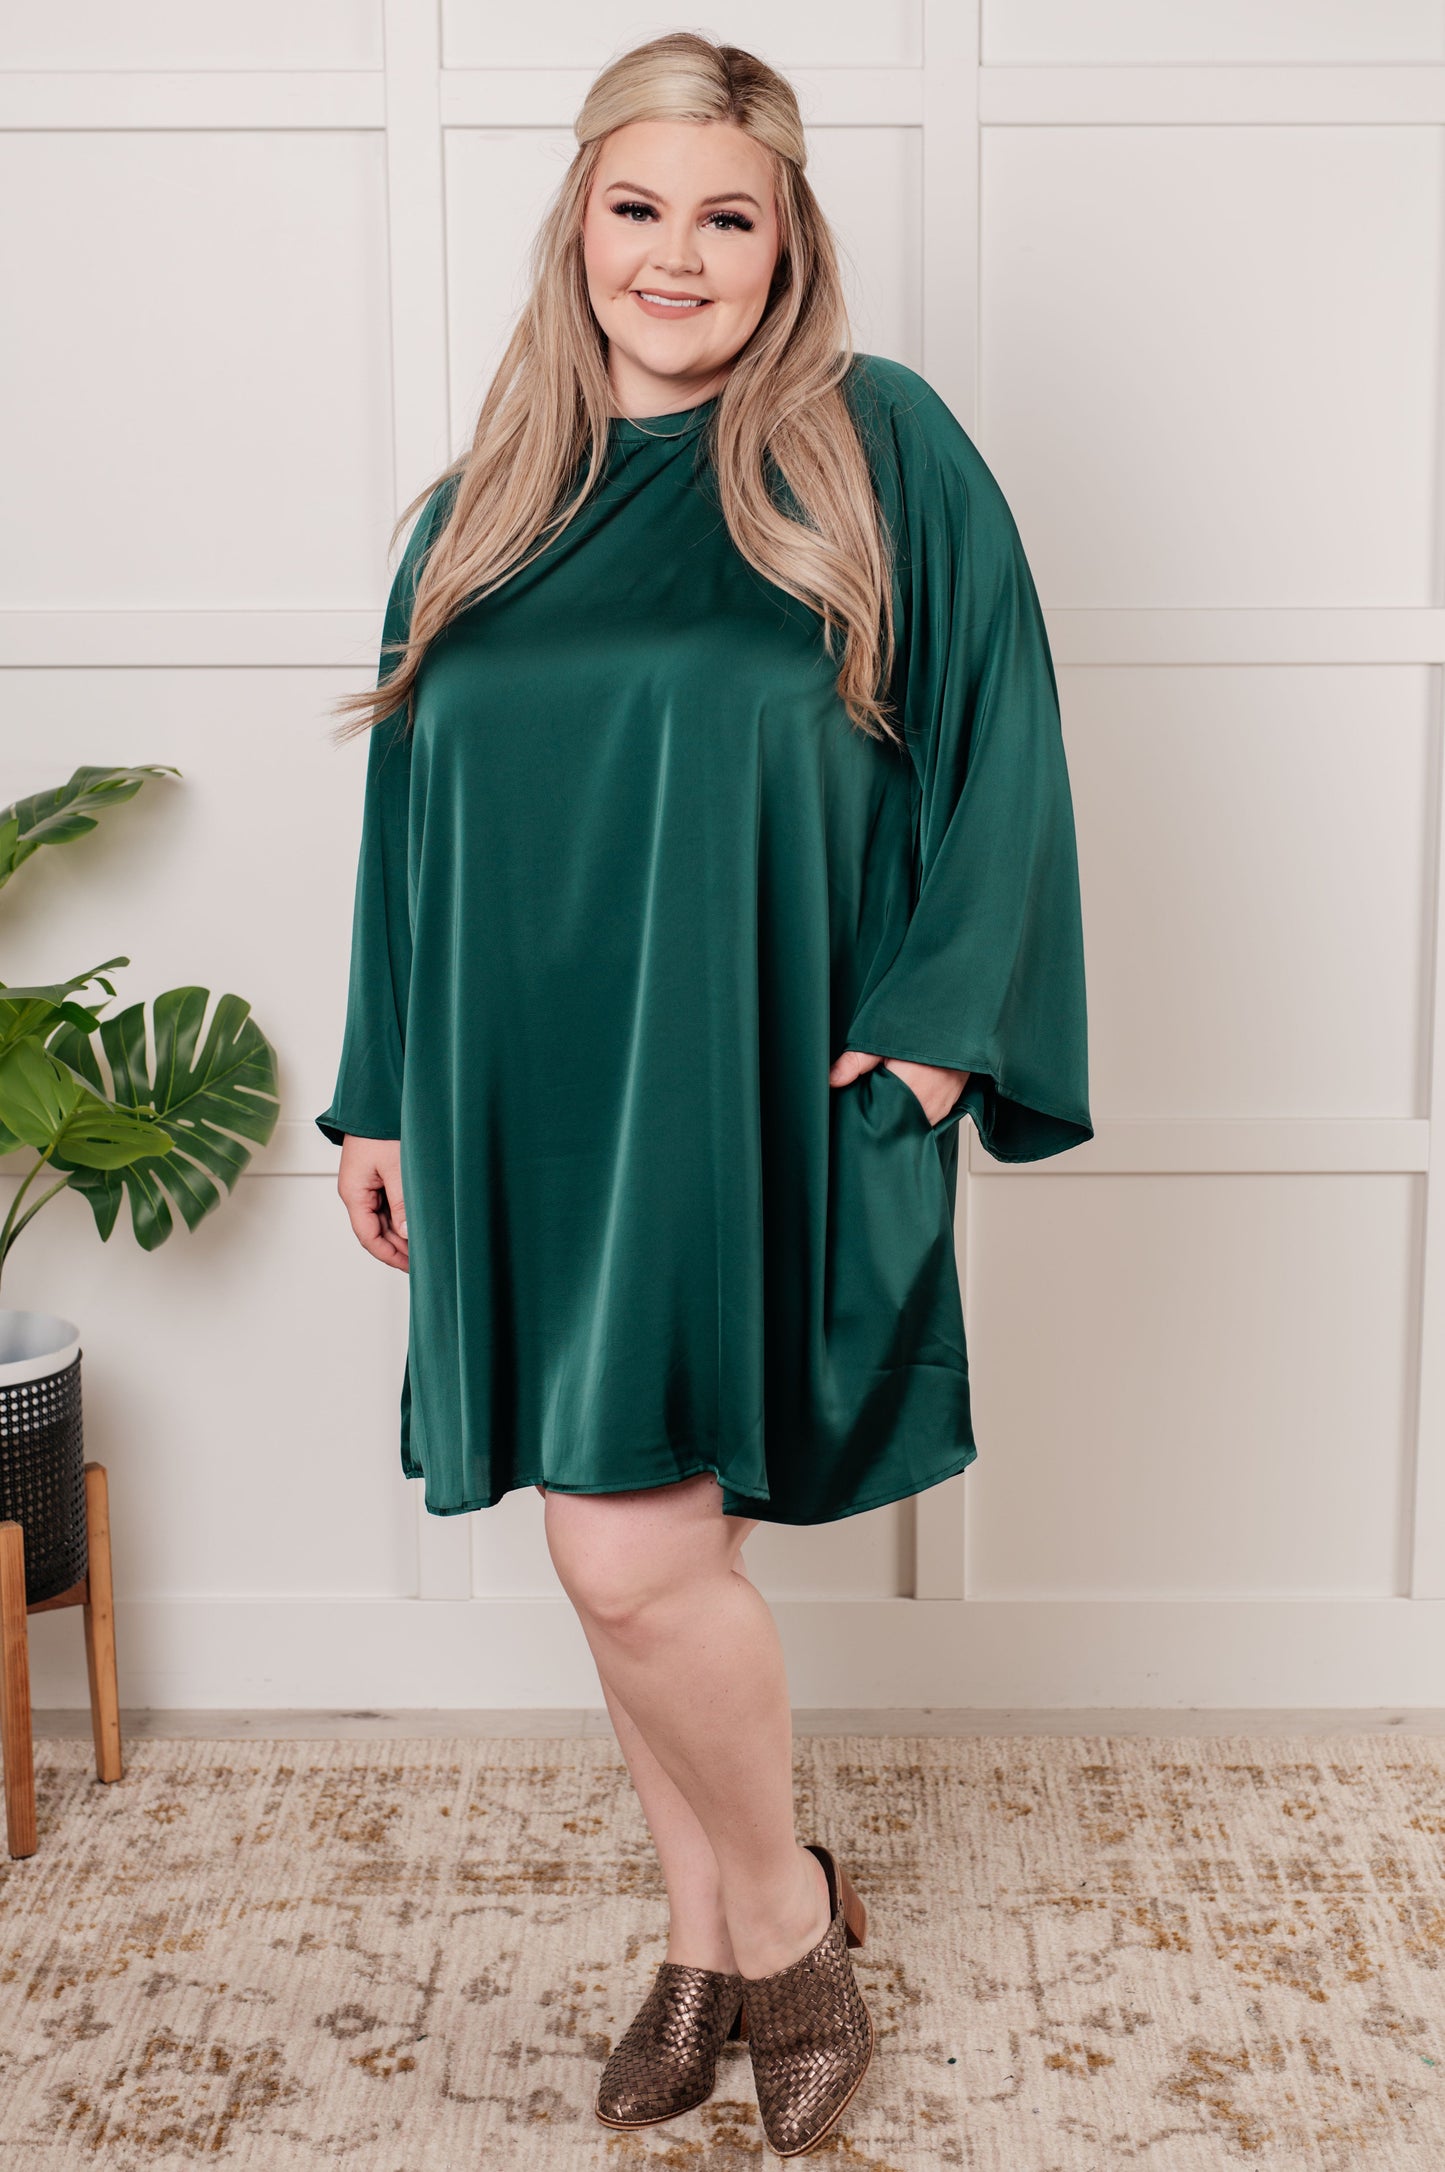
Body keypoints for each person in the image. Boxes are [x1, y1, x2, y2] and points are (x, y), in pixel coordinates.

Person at [314, 29, 1092, 2158]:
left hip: (756, 1079)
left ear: (785, 240)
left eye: (724, 216)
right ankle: (719, 1928)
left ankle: (781, 1929)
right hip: (523, 1102)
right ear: (578, 224)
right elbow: (407, 832)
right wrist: (379, 1093)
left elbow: (1004, 733)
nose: (675, 254)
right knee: (617, 1550)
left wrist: (938, 1034)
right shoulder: (475, 512)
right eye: (637, 207)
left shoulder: (874, 448)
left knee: (633, 1553)